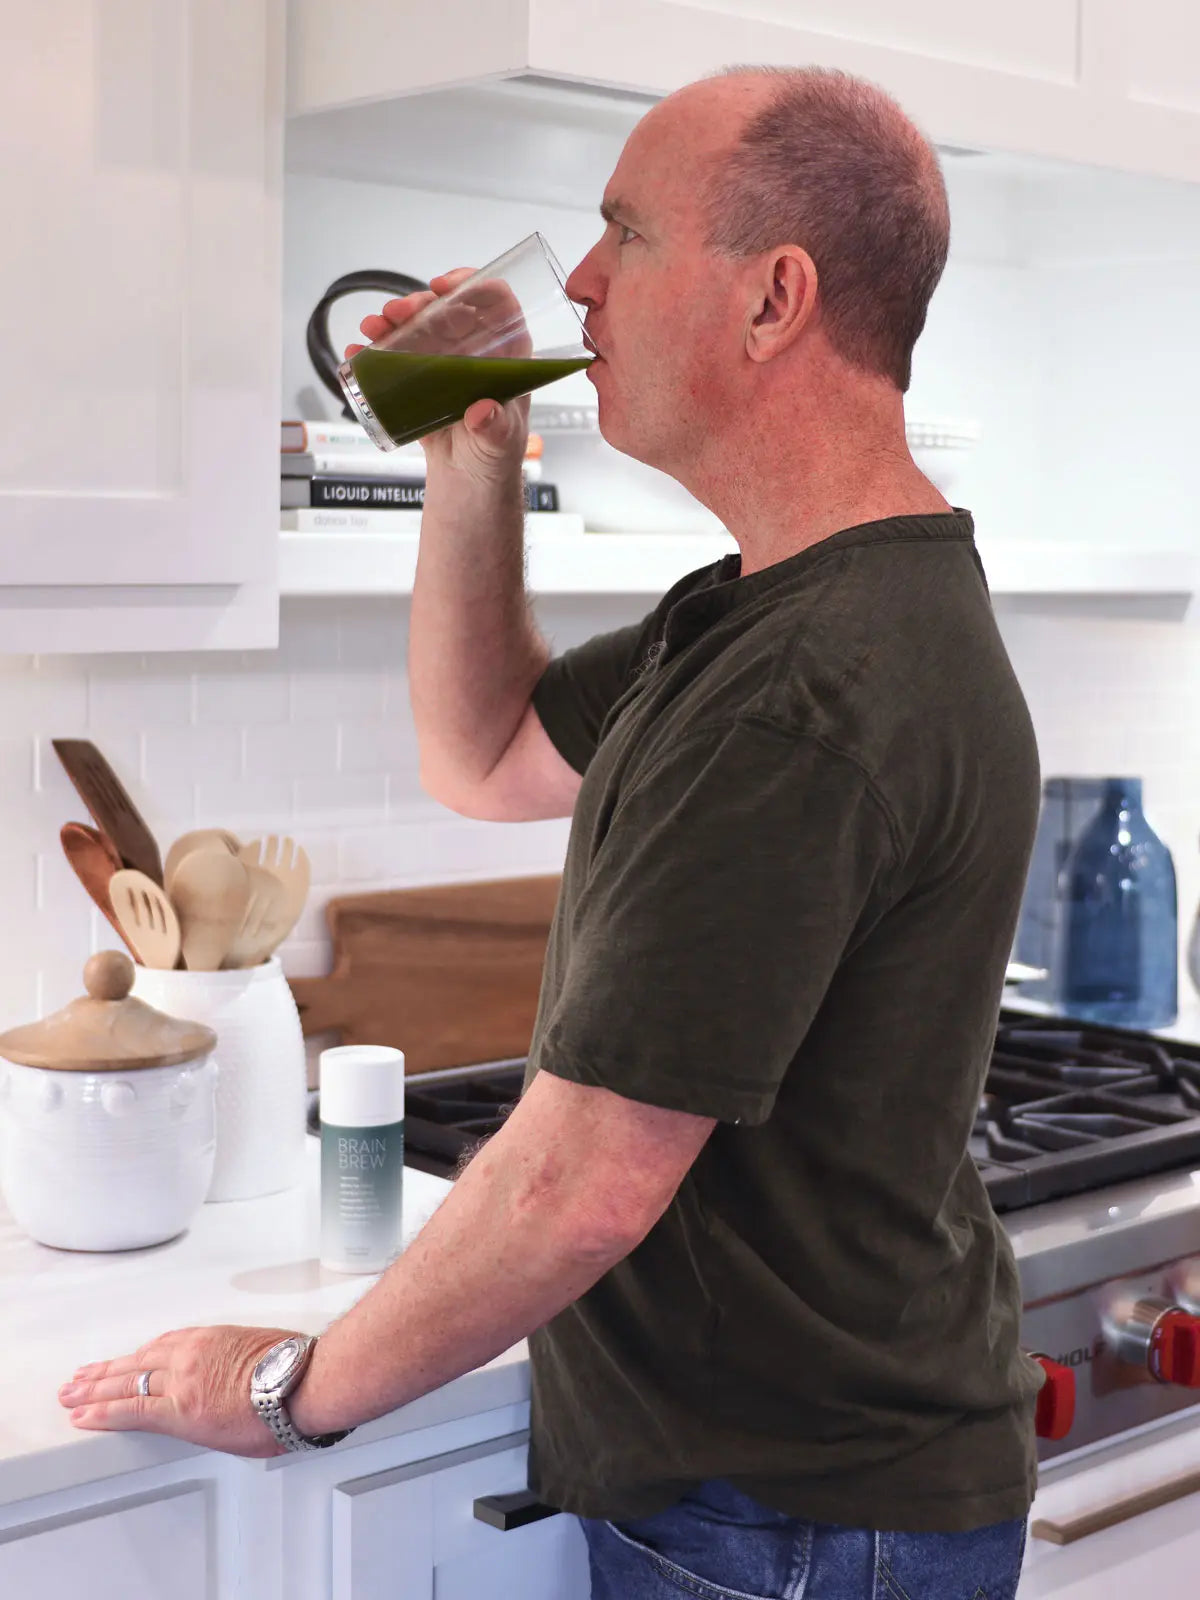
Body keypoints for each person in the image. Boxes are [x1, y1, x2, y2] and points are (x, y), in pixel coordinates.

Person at [57, 65, 1043, 1600]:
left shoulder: (806, 691)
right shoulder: (770, 614)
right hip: (802, 1496)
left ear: (775, 299)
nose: (578, 279)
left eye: (625, 233)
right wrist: (471, 453)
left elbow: (581, 1184)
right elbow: (488, 753)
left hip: (788, 1519)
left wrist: (282, 1392)